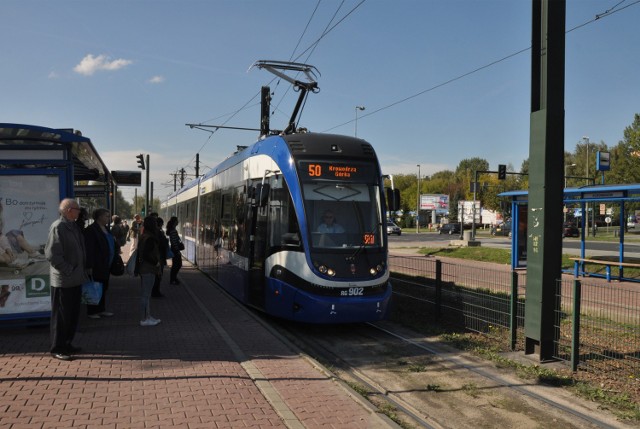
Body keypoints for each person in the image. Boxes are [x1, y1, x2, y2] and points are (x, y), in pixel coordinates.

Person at [45, 198, 89, 361]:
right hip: (64, 280)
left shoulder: (72, 226)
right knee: (61, 316)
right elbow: (52, 255)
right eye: (78, 209)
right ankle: (57, 347)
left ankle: (67, 343)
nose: (80, 212)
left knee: (72, 315)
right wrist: (69, 269)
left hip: (75, 279)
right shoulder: (59, 227)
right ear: (69, 210)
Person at [83, 208, 116, 319]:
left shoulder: (106, 229)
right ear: (99, 217)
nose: (108, 218)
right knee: (94, 286)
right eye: (106, 216)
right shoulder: (91, 230)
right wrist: (89, 266)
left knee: (103, 287)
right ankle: (92, 311)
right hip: (97, 264)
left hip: (106, 263)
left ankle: (101, 309)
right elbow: (89, 249)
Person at [137, 216, 162, 326]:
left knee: (145, 294)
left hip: (145, 268)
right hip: (149, 269)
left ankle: (147, 316)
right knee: (145, 295)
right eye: (155, 223)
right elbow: (147, 254)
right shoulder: (150, 238)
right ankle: (144, 319)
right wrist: (156, 263)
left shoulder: (144, 236)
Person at [151, 216, 168, 298]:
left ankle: (155, 291)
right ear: (160, 224)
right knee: (158, 275)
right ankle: (156, 292)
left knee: (156, 275)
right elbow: (162, 244)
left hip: (156, 257)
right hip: (159, 257)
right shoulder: (158, 232)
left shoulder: (151, 232)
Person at [166, 216, 182, 285]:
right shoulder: (173, 231)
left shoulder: (173, 230)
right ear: (175, 222)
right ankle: (173, 279)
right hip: (175, 249)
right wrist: (177, 250)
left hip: (175, 249)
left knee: (176, 264)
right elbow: (174, 241)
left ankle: (173, 278)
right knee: (177, 264)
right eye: (177, 220)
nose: (178, 222)